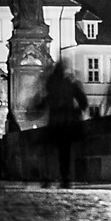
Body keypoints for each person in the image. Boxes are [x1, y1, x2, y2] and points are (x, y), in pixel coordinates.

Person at [38, 57, 87, 188]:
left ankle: (48, 176)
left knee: (49, 150)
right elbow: (82, 100)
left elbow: (45, 99)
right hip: (66, 123)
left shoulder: (52, 84)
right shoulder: (68, 83)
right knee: (65, 151)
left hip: (54, 122)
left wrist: (38, 106)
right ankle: (65, 177)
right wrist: (78, 109)